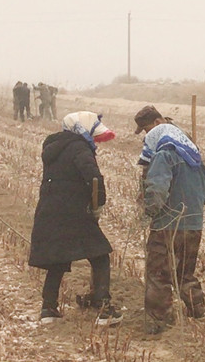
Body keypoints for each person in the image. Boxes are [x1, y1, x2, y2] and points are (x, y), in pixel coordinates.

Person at [28, 111, 120, 324]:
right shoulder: (79, 147)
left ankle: (48, 309)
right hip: (73, 212)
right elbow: (94, 179)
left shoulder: (54, 147)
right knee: (100, 255)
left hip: (49, 210)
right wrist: (98, 204)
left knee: (58, 259)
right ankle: (104, 308)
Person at [140, 122, 205, 334]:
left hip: (167, 226)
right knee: (185, 271)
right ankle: (197, 309)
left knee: (158, 273)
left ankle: (160, 320)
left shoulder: (164, 156)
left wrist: (149, 212)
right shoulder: (195, 160)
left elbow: (156, 190)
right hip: (193, 225)